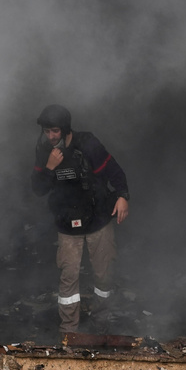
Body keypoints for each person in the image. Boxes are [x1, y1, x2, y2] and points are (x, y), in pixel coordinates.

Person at [30, 104, 130, 334]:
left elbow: (114, 171)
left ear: (65, 129)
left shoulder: (87, 143)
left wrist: (123, 196)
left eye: (55, 131)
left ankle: (101, 321)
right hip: (67, 224)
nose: (51, 136)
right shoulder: (44, 150)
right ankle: (69, 330)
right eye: (47, 131)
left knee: (104, 274)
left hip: (98, 219)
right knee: (69, 278)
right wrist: (49, 167)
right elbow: (37, 189)